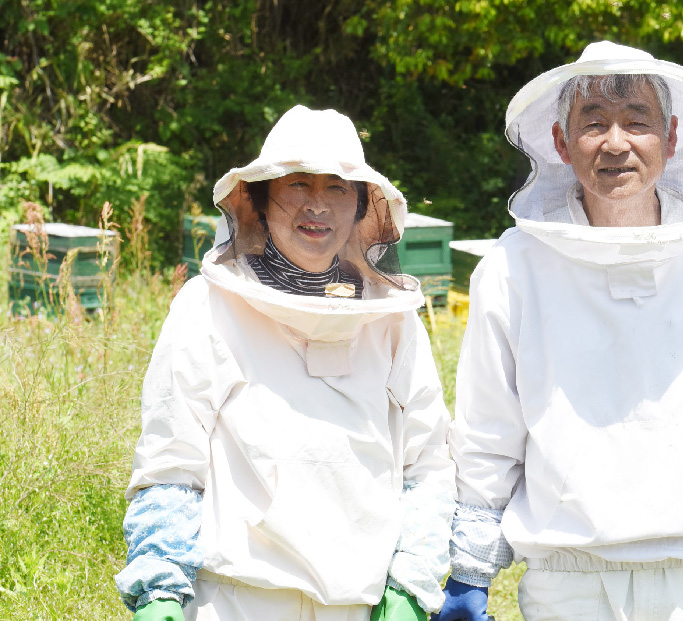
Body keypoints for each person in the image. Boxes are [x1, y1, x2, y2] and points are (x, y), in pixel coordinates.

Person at [436, 42, 683, 621]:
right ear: (562, 143)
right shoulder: (513, 268)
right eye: (594, 124)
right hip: (568, 578)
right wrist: (470, 572)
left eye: (635, 122)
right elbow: (489, 432)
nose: (615, 143)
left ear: (671, 137)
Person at [115, 105, 456, 621]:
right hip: (232, 600)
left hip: (359, 604)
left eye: (338, 188)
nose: (317, 205)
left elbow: (428, 464)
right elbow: (170, 458)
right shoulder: (207, 305)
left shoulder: (393, 321)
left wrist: (412, 583)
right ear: (259, 198)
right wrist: (159, 585)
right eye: (298, 183)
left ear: (363, 206)